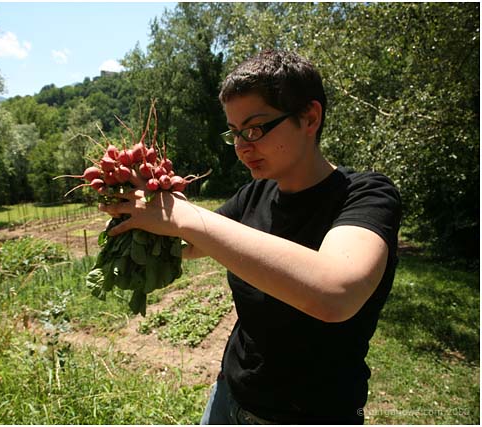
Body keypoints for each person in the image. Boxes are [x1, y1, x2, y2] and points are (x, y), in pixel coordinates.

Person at [99, 49, 402, 424]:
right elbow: (192, 243)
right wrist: (141, 214)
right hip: (230, 395)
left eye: (255, 128)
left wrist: (186, 216)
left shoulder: (367, 195)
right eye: (235, 132)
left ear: (309, 117)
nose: (243, 146)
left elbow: (335, 293)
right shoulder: (254, 194)